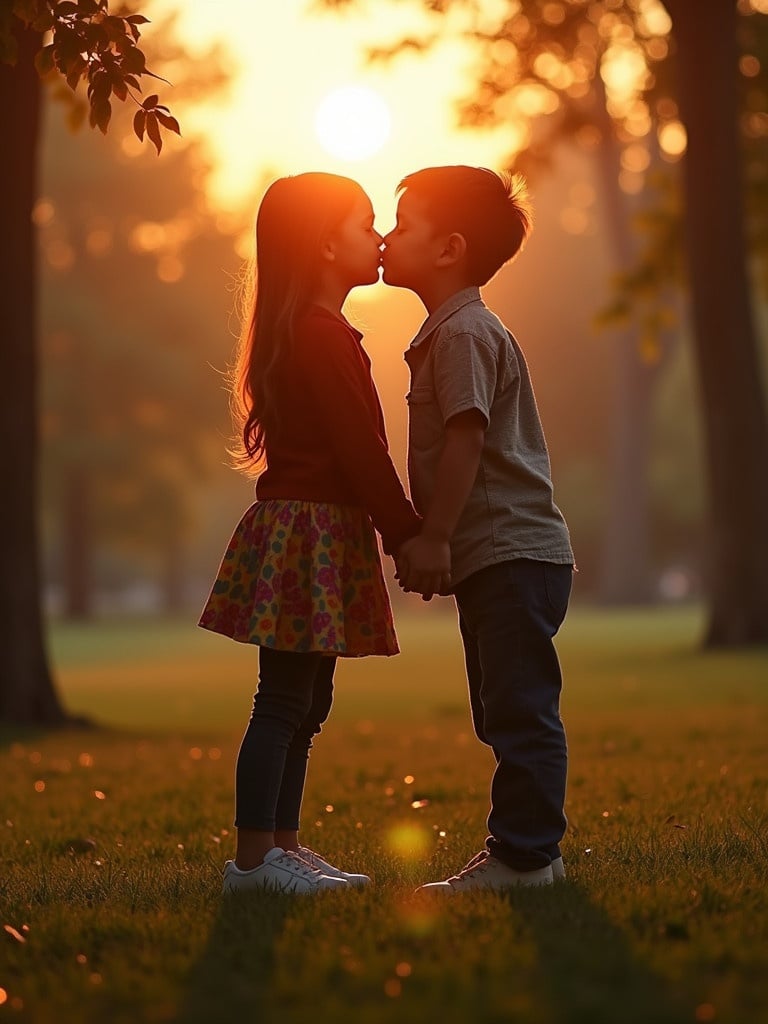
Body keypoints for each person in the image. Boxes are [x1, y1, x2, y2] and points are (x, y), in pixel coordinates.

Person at [199, 172, 421, 895]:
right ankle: (255, 861)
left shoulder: (317, 331)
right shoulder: (319, 336)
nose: (379, 236)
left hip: (319, 530)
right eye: (365, 224)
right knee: (285, 699)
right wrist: (408, 533)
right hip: (309, 532)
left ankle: (283, 849)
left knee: (308, 700)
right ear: (327, 244)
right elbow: (362, 451)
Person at [381, 165, 575, 891]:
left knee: (519, 708)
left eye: (403, 225)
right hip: (501, 553)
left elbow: (465, 438)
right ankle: (531, 852)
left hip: (510, 551)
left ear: (448, 249)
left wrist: (433, 537)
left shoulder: (463, 333)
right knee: (502, 707)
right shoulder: (452, 329)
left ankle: (525, 856)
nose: (386, 237)